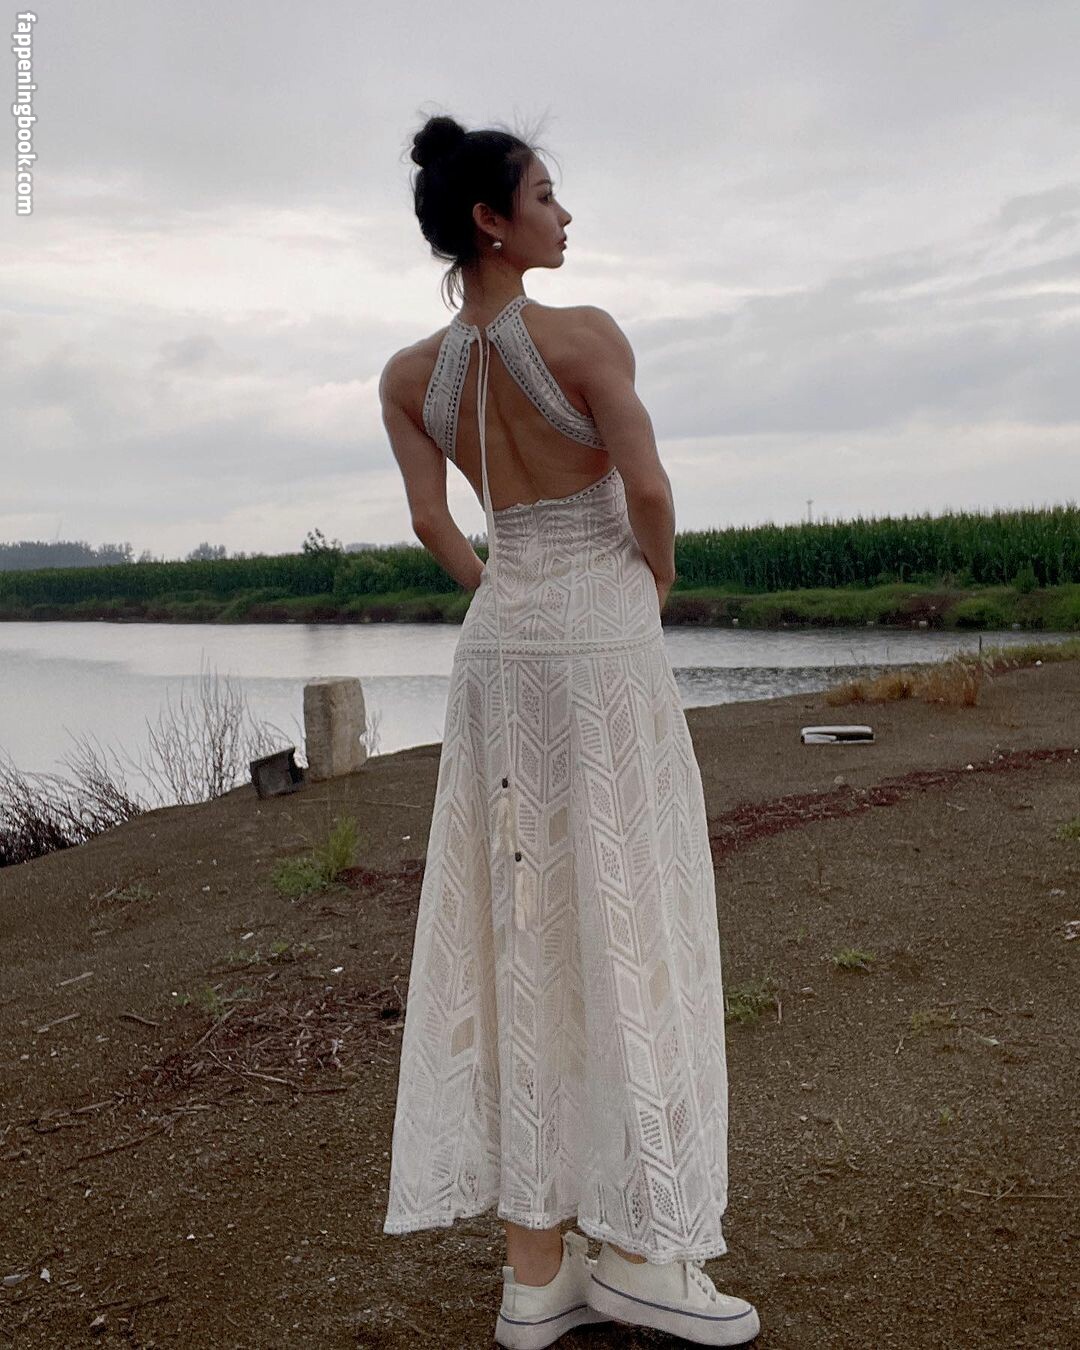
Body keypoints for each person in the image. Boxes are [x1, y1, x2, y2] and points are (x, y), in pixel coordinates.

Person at [378, 112, 760, 1348]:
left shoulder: (408, 377)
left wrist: (503, 595)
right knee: (631, 913)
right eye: (545, 195)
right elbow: (646, 489)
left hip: (501, 646)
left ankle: (535, 1272)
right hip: (600, 633)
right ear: (492, 221)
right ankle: (644, 1253)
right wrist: (654, 584)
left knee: (520, 924)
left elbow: (436, 526)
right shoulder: (585, 336)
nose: (564, 214)